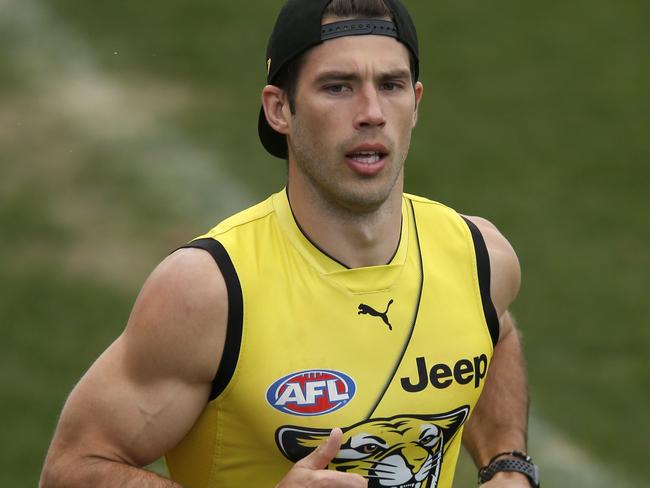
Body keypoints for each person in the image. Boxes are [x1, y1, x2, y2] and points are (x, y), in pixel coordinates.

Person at [40, 0, 539, 487]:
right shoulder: (209, 291)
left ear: (416, 104)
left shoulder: (478, 258)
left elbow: (493, 335)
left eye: (391, 85)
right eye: (337, 87)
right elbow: (71, 468)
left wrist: (507, 464)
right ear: (280, 108)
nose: (371, 112)